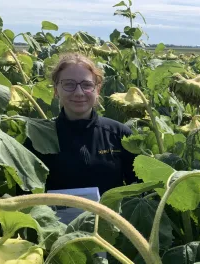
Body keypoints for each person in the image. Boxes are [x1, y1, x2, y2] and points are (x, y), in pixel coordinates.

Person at [23, 52, 138, 195]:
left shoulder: (120, 134)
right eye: (68, 84)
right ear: (55, 90)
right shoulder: (36, 137)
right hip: (53, 218)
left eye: (87, 85)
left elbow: (138, 188)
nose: (79, 92)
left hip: (110, 217)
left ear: (97, 89)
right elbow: (25, 195)